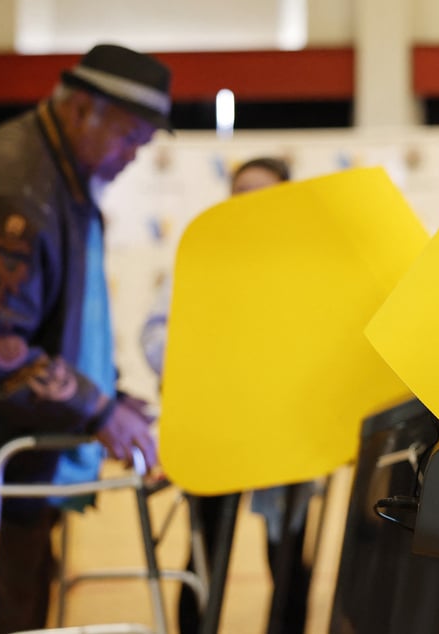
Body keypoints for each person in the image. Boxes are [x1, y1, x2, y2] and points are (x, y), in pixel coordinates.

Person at [0, 43, 171, 634]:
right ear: (82, 108)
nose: (132, 157)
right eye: (128, 137)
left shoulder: (62, 175)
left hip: (7, 475)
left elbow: (59, 320)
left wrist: (108, 393)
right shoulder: (13, 188)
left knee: (20, 615)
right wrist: (97, 410)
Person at [140, 156, 316, 634]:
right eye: (241, 192)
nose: (249, 203)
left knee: (286, 555)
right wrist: (204, 367)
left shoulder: (307, 264)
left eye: (263, 193)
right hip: (215, 429)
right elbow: (156, 335)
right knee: (205, 550)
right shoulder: (202, 254)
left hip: (287, 435)